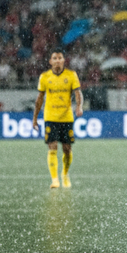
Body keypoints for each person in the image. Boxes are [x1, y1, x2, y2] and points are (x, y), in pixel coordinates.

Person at [32, 49, 83, 189]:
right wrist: (35, 118)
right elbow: (39, 99)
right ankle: (54, 179)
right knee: (52, 146)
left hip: (66, 117)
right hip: (50, 117)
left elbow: (78, 93)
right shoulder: (44, 77)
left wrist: (79, 106)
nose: (57, 60)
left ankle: (65, 174)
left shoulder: (71, 75)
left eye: (60, 57)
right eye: (54, 58)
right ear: (50, 61)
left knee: (67, 149)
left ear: (64, 60)